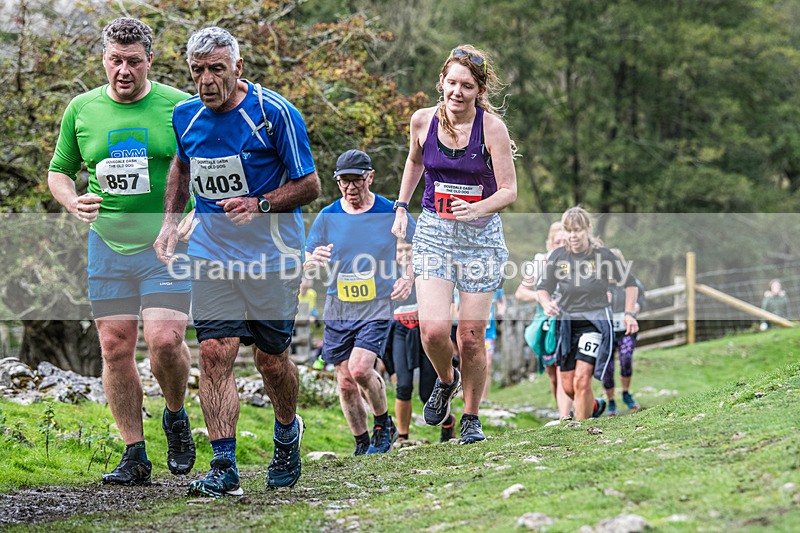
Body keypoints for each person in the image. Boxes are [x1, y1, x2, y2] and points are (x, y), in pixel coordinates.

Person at [154, 26, 320, 497]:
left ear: (238, 67)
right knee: (214, 352)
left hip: (273, 256)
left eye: (216, 69)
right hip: (211, 253)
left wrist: (260, 204)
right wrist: (170, 223)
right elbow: (182, 166)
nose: (206, 80)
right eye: (197, 71)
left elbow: (309, 185)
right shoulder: (185, 114)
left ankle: (286, 433)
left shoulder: (274, 113)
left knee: (271, 361)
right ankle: (224, 466)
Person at [48, 17, 195, 486]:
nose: (124, 70)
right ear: (104, 59)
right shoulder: (82, 109)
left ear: (150, 60)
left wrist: (195, 214)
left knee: (165, 341)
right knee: (114, 348)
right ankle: (134, 453)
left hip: (166, 246)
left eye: (133, 61)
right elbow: (58, 171)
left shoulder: (180, 106)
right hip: (108, 245)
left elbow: (206, 165)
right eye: (115, 60)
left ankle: (175, 414)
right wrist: (72, 200)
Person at [392, 45, 517, 444]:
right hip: (435, 232)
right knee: (432, 332)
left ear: (479, 91)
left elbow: (509, 190)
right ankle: (447, 380)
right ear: (441, 82)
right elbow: (415, 161)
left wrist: (477, 208)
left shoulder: (492, 129)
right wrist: (401, 206)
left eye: (467, 86)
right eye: (452, 83)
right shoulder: (422, 121)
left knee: (471, 337)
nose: (458, 92)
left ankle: (471, 416)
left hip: (480, 239)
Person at [304, 149, 415, 456]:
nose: (350, 187)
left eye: (356, 180)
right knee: (345, 381)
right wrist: (312, 259)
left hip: (376, 302)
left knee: (361, 369)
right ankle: (361, 443)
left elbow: (418, 246)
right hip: (338, 303)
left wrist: (408, 277)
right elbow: (307, 256)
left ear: (370, 178)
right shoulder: (328, 216)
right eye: (344, 181)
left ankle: (382, 426)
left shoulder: (390, 211)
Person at [537, 207, 639, 420]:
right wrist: (546, 303)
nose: (573, 236)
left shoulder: (603, 256)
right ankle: (593, 405)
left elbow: (630, 284)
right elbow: (543, 288)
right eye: (568, 231)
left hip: (595, 322)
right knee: (568, 386)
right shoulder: (558, 256)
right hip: (567, 324)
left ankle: (581, 430)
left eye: (577, 230)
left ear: (588, 229)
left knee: (582, 380)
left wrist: (629, 313)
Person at [390, 240, 454, 443]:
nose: (403, 253)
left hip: (425, 330)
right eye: (399, 250)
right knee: (403, 385)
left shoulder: (429, 271)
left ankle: (448, 422)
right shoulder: (388, 273)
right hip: (400, 330)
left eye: (407, 249)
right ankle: (403, 437)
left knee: (427, 392)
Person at [515, 221, 573, 419]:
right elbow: (521, 292)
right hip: (544, 320)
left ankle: (565, 416)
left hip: (568, 319)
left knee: (563, 367)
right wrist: (541, 297)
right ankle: (569, 411)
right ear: (550, 242)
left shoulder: (574, 261)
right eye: (557, 242)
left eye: (564, 242)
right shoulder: (540, 262)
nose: (560, 245)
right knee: (552, 373)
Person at [602, 248, 646, 416]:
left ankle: (626, 393)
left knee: (626, 358)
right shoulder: (598, 283)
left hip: (626, 329)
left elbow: (641, 300)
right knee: (608, 366)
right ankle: (611, 401)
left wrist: (635, 308)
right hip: (606, 331)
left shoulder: (631, 282)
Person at [482, 287, 506, 401]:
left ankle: (483, 398)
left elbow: (502, 302)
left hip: (489, 333)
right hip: (472, 332)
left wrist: (500, 312)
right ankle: (468, 395)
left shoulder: (496, 284)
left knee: (487, 364)